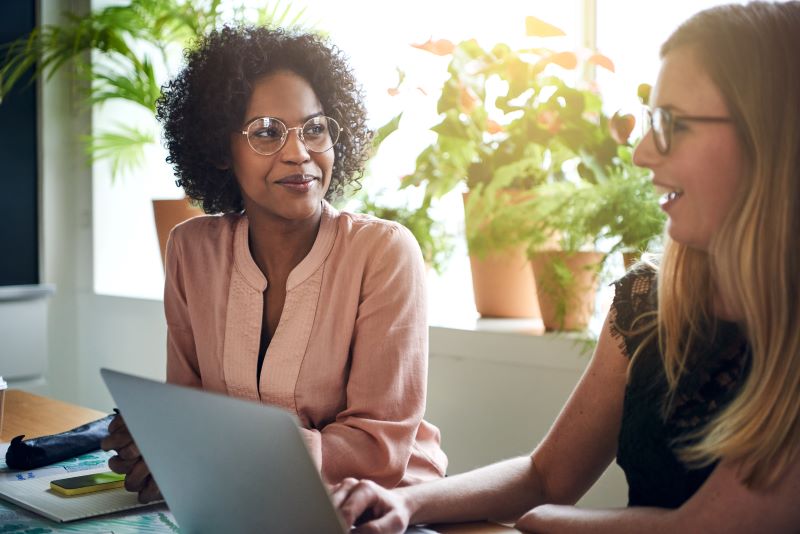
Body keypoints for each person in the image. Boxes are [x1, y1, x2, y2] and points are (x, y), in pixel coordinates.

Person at [332, 2, 800, 532]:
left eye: (672, 123)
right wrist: (408, 502)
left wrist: (549, 521)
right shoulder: (648, 302)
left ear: (769, 133)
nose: (643, 153)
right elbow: (546, 475)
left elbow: (704, 528)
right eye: (652, 121)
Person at [101, 25, 447, 503]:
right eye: (267, 132)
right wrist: (159, 445)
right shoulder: (191, 250)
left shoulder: (383, 251)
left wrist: (214, 449)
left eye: (315, 129)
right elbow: (190, 411)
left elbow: (377, 449)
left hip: (384, 509)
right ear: (220, 151)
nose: (299, 153)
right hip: (246, 499)